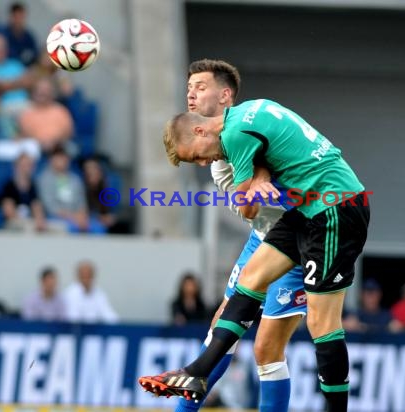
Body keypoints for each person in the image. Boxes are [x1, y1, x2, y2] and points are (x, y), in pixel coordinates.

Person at [139, 98, 370, 412]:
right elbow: (271, 144)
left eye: (196, 157)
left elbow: (248, 207)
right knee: (251, 277)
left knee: (322, 322)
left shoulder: (234, 136)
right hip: (306, 208)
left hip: (335, 208)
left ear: (199, 130)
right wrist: (260, 175)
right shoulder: (249, 111)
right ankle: (197, 373)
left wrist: (254, 181)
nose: (204, 164)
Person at [173, 59, 307, 412]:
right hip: (262, 237)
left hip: (297, 241)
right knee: (220, 329)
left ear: (225, 95)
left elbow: (278, 156)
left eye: (200, 87)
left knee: (267, 348)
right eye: (189, 88)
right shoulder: (219, 162)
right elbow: (248, 205)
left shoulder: (254, 123)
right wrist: (259, 178)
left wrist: (266, 174)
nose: (191, 93)